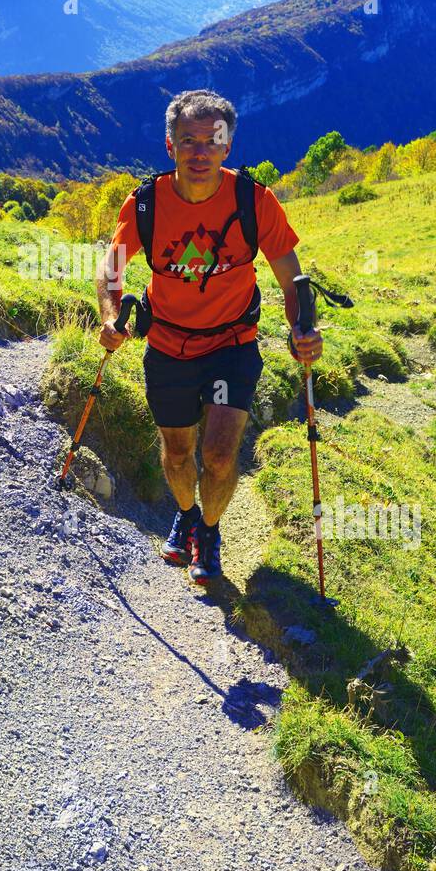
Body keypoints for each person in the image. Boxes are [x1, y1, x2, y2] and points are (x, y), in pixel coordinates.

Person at [95, 89, 322, 584]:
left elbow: (291, 278)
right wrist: (111, 317)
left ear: (228, 145)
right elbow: (111, 269)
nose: (200, 152)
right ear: (170, 146)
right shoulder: (146, 204)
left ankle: (211, 530)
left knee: (218, 453)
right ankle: (186, 513)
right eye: (188, 141)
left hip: (231, 344)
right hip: (168, 346)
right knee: (178, 452)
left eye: (211, 141)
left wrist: (301, 328)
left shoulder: (253, 200)